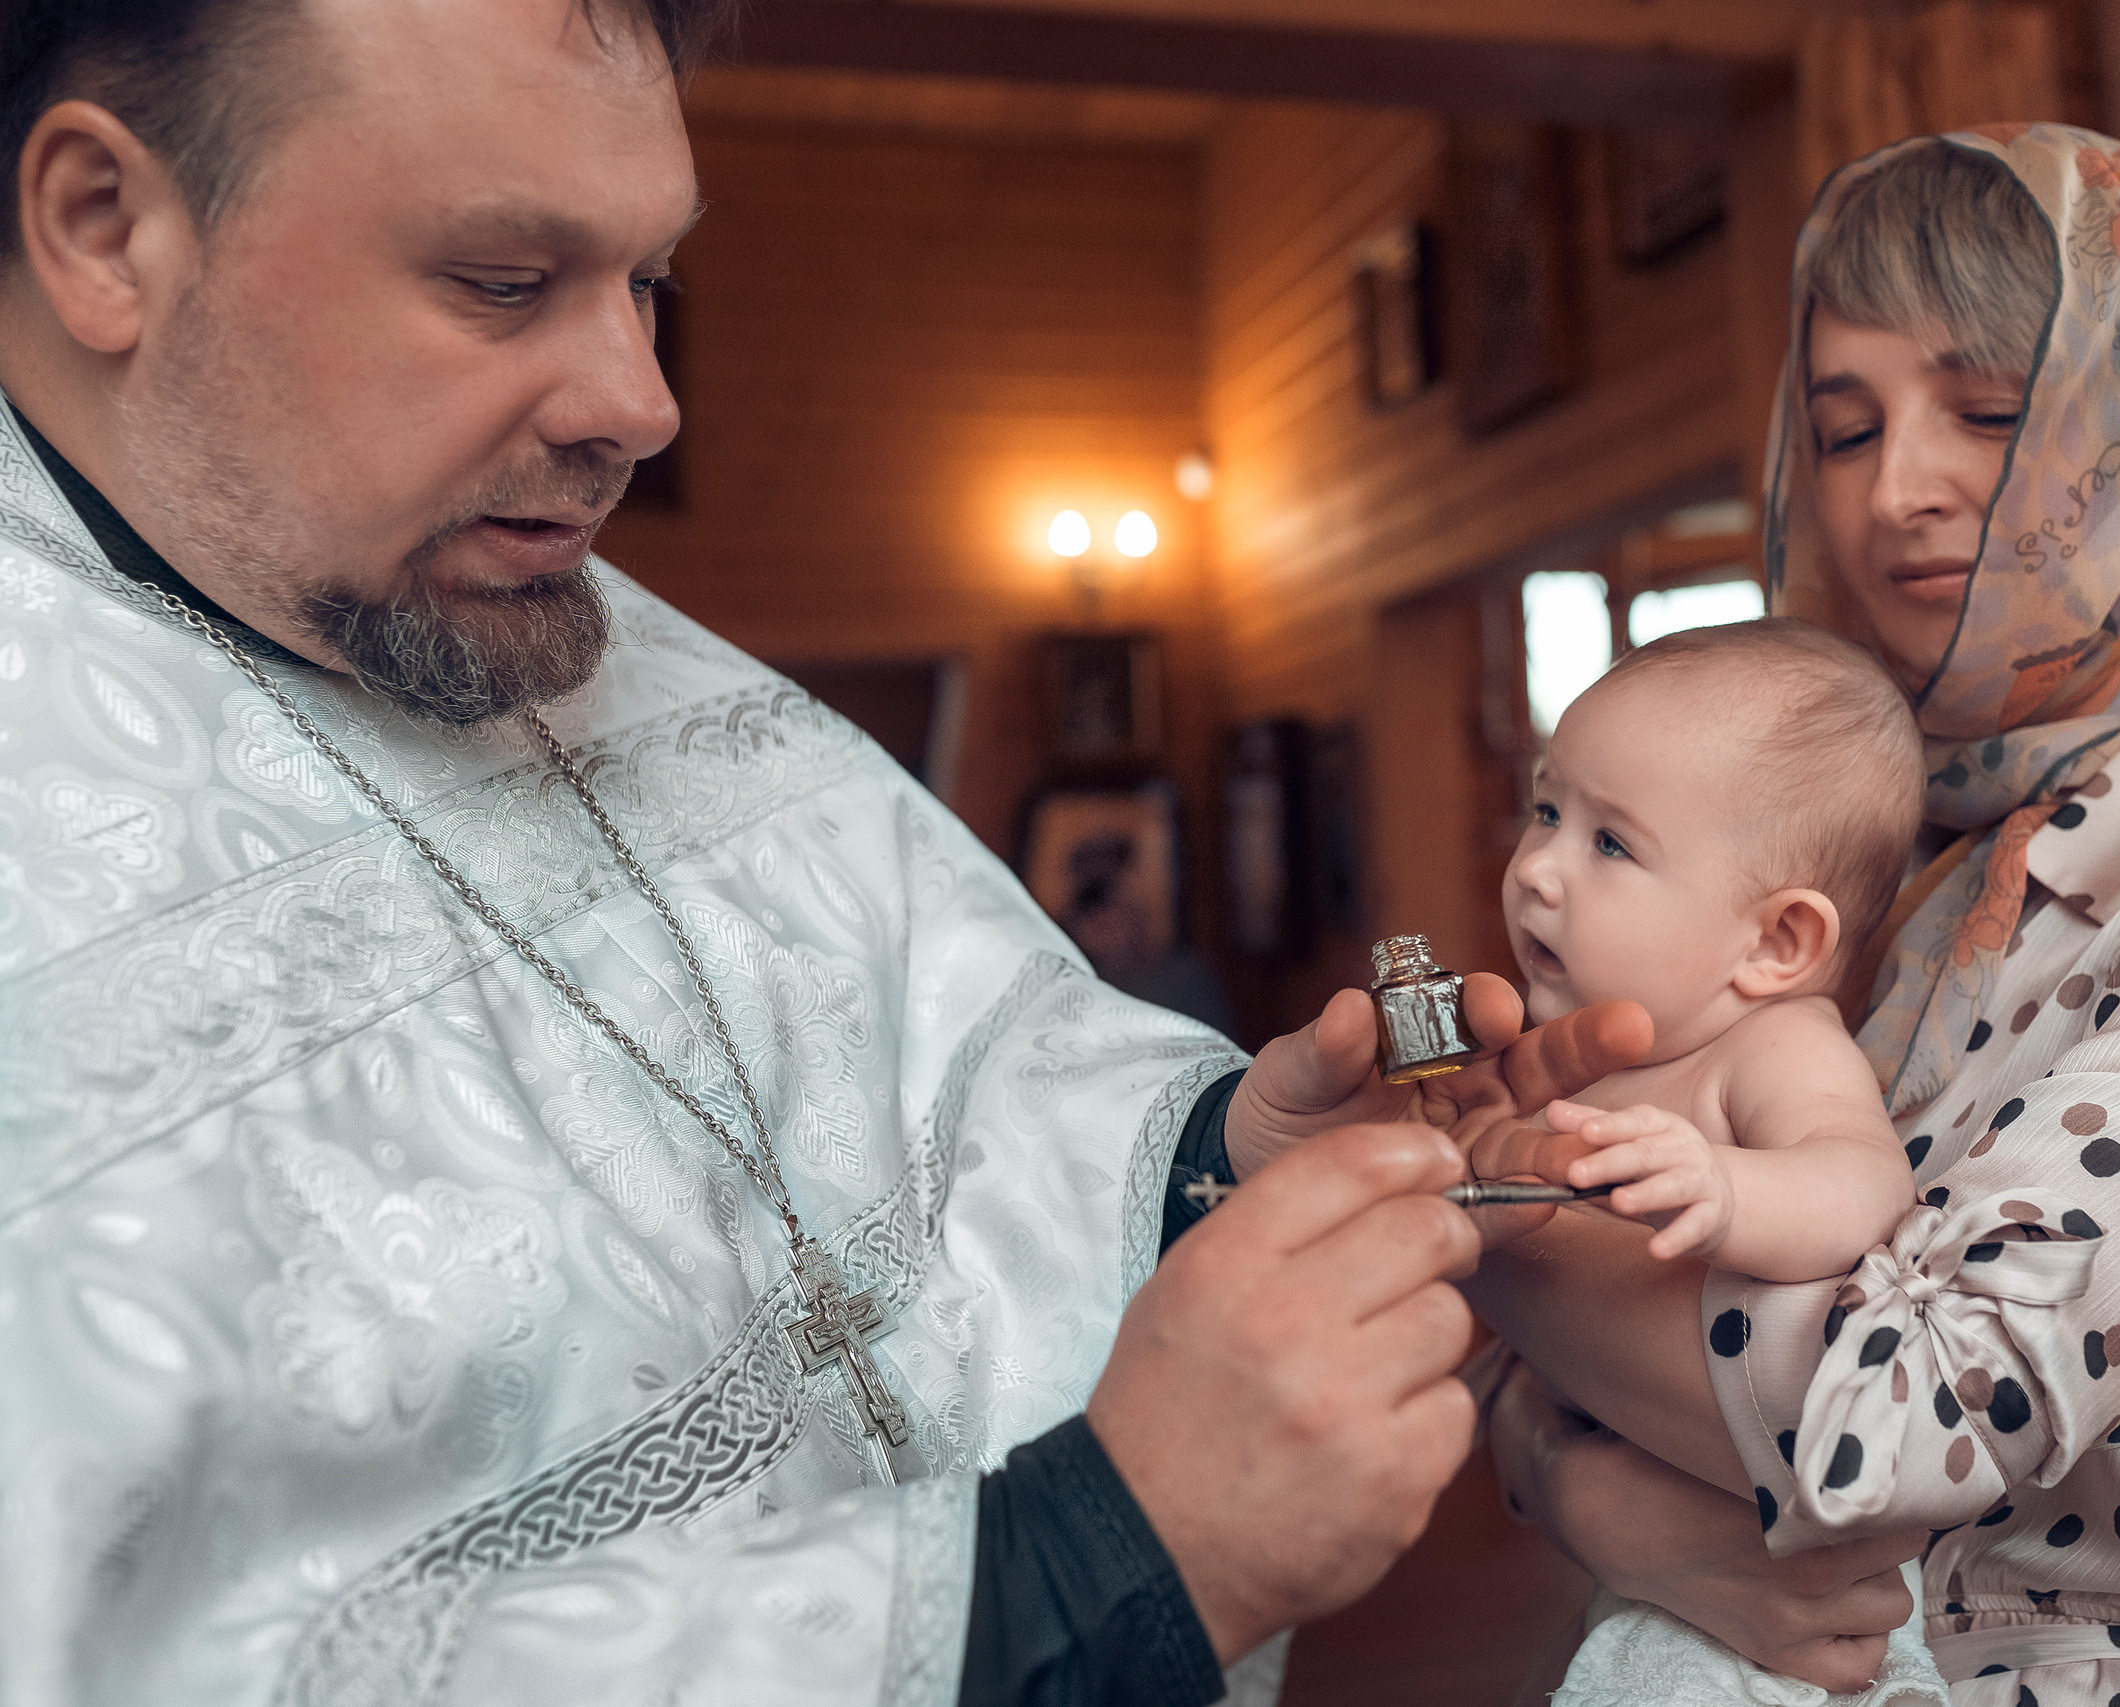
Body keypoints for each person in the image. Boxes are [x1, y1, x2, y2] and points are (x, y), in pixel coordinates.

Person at [0, 3, 1656, 1702]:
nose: (640, 404)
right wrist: (1079, 1570)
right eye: (504, 281)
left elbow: (965, 1074)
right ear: (104, 229)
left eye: (650, 284)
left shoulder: (590, 634)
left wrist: (1222, 1175)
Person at [1465, 125, 2120, 1707]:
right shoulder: (1843, 827)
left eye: (1992, 412)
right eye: (1845, 426)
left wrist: (1488, 1240)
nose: (1899, 491)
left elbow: (1922, 1410)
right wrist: (1587, 1489)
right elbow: (1589, 1331)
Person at [1486, 615, 1952, 1707]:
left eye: (1611, 844)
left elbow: (1861, 1177)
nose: (1539, 871)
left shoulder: (1772, 1045)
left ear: (1776, 944)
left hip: (1812, 1609)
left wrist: (1728, 1186)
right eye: (1547, 809)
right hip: (1657, 1563)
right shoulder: (1564, 1056)